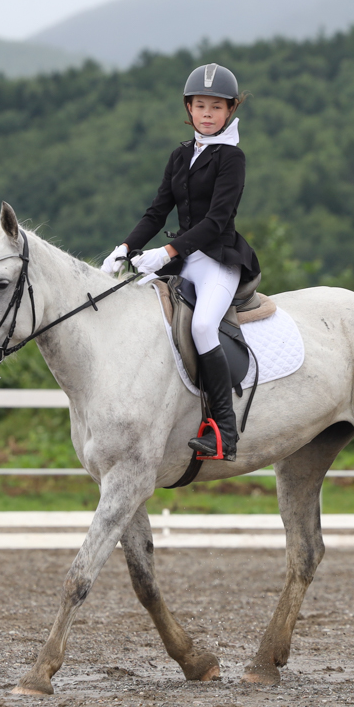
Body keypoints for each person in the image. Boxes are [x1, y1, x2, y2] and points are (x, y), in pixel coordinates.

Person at [100, 63, 260, 462]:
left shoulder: (231, 158)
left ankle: (224, 432)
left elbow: (217, 220)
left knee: (204, 326)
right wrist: (125, 247)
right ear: (189, 108)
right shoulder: (180, 155)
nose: (207, 114)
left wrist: (168, 252)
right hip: (185, 261)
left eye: (216, 107)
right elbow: (157, 213)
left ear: (230, 111)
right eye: (200, 106)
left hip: (218, 260)